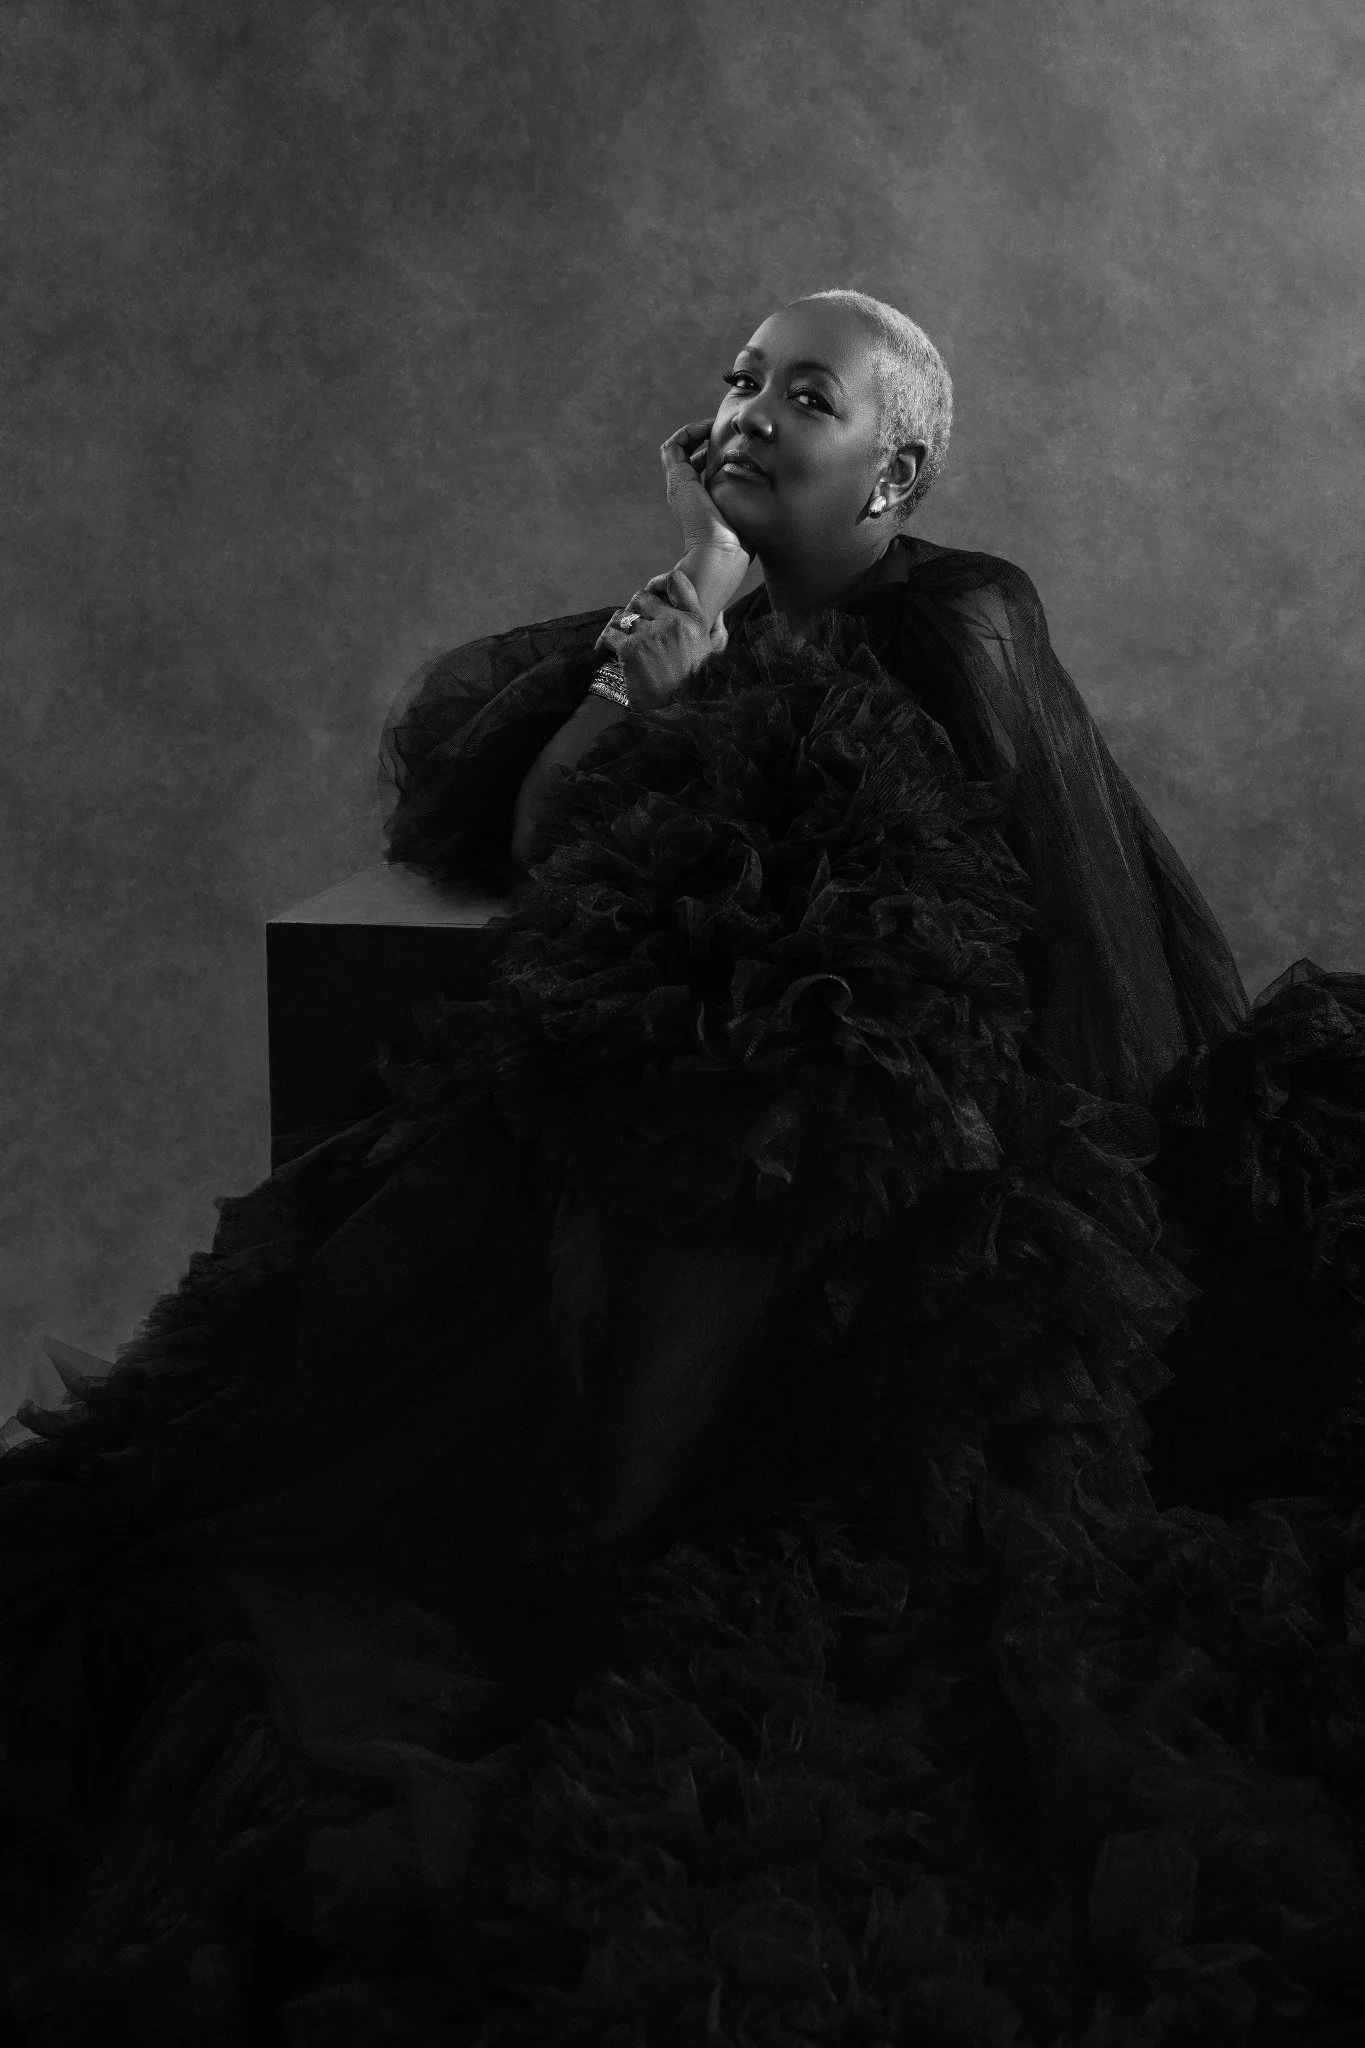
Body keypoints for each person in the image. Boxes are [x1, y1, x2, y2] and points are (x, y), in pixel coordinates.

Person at [3, 290, 1363, 2044]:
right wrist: (688, 636)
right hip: (732, 1107)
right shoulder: (696, 604)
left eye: (806, 396)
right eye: (735, 380)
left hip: (939, 1146)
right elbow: (546, 827)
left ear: (904, 464)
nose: (744, 413)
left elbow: (999, 925)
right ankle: (581, 1503)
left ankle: (650, 1511)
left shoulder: (964, 618)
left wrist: (718, 726)